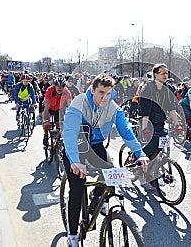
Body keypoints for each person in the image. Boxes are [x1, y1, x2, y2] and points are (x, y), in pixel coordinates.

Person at [62, 74, 149, 247]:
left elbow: (125, 130)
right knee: (77, 189)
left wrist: (140, 153)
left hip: (94, 146)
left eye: (108, 93)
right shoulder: (79, 104)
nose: (105, 97)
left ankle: (96, 196)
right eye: (101, 92)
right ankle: (72, 235)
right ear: (92, 90)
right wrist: (75, 161)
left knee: (111, 175)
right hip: (76, 147)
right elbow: (70, 133)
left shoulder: (113, 107)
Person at [139, 63, 181, 159]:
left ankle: (154, 164)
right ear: (155, 74)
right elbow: (145, 111)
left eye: (167, 73)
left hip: (160, 120)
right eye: (162, 73)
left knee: (161, 146)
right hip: (148, 122)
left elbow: (171, 107)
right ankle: (138, 160)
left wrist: (177, 124)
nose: (165, 75)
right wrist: (145, 128)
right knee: (151, 146)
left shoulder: (167, 88)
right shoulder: (147, 88)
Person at [42, 78, 73, 147]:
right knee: (46, 122)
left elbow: (70, 105)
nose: (60, 88)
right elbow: (47, 105)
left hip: (59, 109)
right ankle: (46, 135)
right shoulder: (49, 90)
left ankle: (57, 137)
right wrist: (46, 117)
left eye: (62, 87)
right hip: (49, 107)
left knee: (59, 124)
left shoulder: (67, 92)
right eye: (58, 87)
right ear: (54, 86)